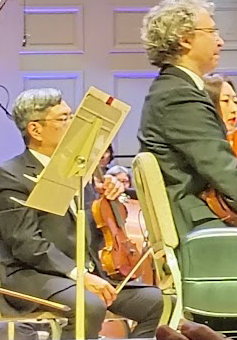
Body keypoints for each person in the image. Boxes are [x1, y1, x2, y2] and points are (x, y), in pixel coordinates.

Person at [0, 88, 163, 339]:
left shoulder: (80, 169)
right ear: (35, 130)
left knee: (153, 300)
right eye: (64, 119)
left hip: (80, 273)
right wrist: (80, 276)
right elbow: (26, 244)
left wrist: (109, 202)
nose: (73, 125)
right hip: (28, 274)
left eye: (72, 117)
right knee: (89, 305)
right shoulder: (10, 175)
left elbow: (95, 231)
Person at [138, 0, 237, 237]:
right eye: (212, 31)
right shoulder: (178, 96)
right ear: (185, 39)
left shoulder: (173, 89)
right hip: (200, 227)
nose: (220, 41)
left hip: (202, 221)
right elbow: (227, 176)